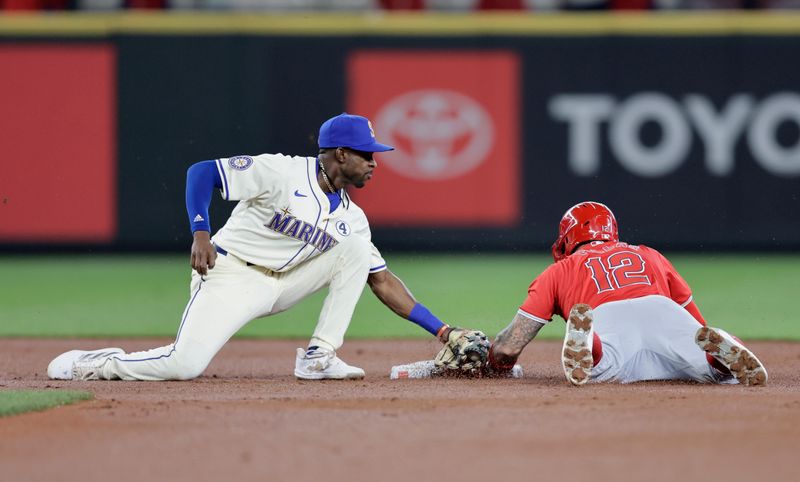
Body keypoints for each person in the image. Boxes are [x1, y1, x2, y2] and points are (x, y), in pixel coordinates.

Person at [48, 113, 461, 381]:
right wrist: (200, 233)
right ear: (341, 154)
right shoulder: (281, 171)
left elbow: (382, 281)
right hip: (230, 275)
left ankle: (319, 355)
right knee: (185, 365)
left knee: (355, 247)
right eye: (367, 155)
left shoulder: (352, 217)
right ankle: (99, 363)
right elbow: (201, 172)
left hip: (282, 286)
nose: (375, 163)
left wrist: (443, 331)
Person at [486, 201, 768, 386]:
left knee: (603, 370)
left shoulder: (558, 271)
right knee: (708, 368)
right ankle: (719, 355)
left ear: (567, 239)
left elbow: (510, 345)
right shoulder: (650, 254)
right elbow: (698, 327)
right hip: (662, 310)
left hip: (606, 317)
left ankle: (591, 346)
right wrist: (701, 339)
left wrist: (494, 361)